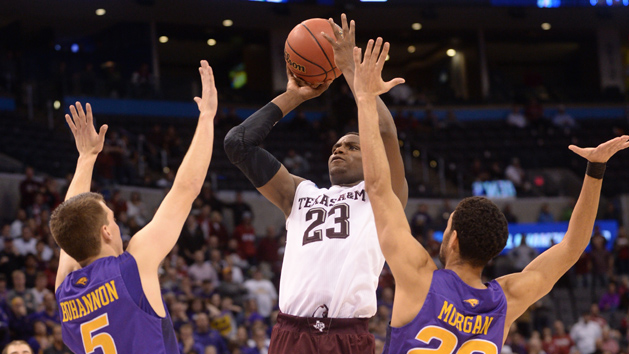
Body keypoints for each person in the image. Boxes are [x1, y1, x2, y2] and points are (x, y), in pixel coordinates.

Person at [351, 34, 629, 354]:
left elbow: (377, 188)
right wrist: (595, 170)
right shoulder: (505, 299)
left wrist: (365, 98)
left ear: (452, 239)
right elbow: (573, 246)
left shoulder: (419, 277)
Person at [224, 14, 406, 354]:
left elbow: (383, 133)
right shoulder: (300, 193)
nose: (339, 148)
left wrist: (350, 71)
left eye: (353, 146)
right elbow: (239, 144)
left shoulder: (382, 197)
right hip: (291, 332)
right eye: (336, 145)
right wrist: (295, 96)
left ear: (371, 160)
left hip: (347, 336)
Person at [50, 60, 218, 354]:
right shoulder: (133, 266)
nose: (117, 225)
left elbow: (70, 222)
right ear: (105, 231)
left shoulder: (65, 290)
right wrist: (207, 118)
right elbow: (185, 190)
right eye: (113, 219)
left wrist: (87, 157)